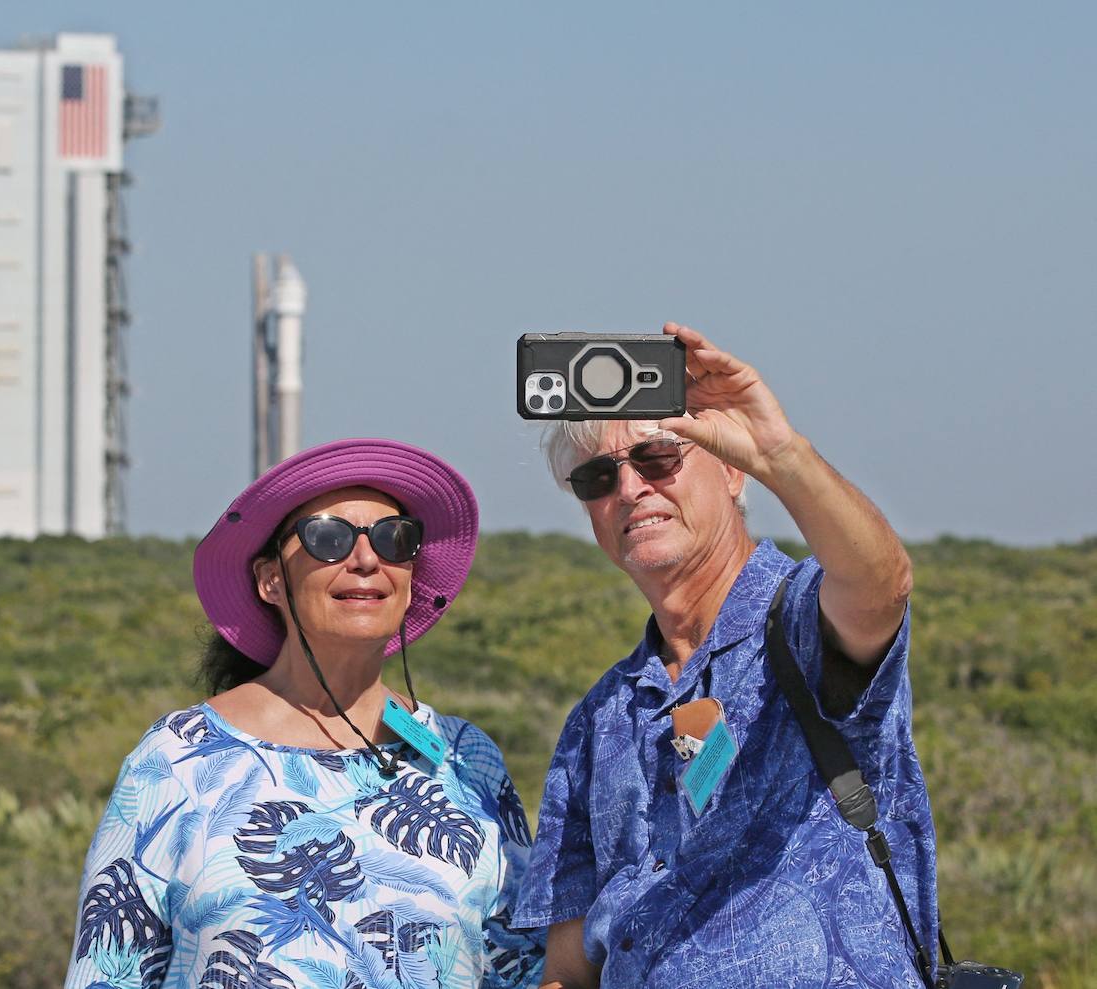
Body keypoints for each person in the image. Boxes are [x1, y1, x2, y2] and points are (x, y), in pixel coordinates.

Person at [516, 324, 939, 987]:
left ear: (731, 470)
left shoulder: (801, 623)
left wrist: (782, 453)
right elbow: (568, 969)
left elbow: (881, 584)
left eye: (657, 457)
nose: (630, 490)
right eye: (599, 476)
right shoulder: (597, 721)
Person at [64, 438, 544, 989]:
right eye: (328, 538)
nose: (366, 560)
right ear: (271, 580)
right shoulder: (177, 759)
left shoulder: (468, 758)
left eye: (395, 539)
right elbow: (105, 972)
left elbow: (520, 966)